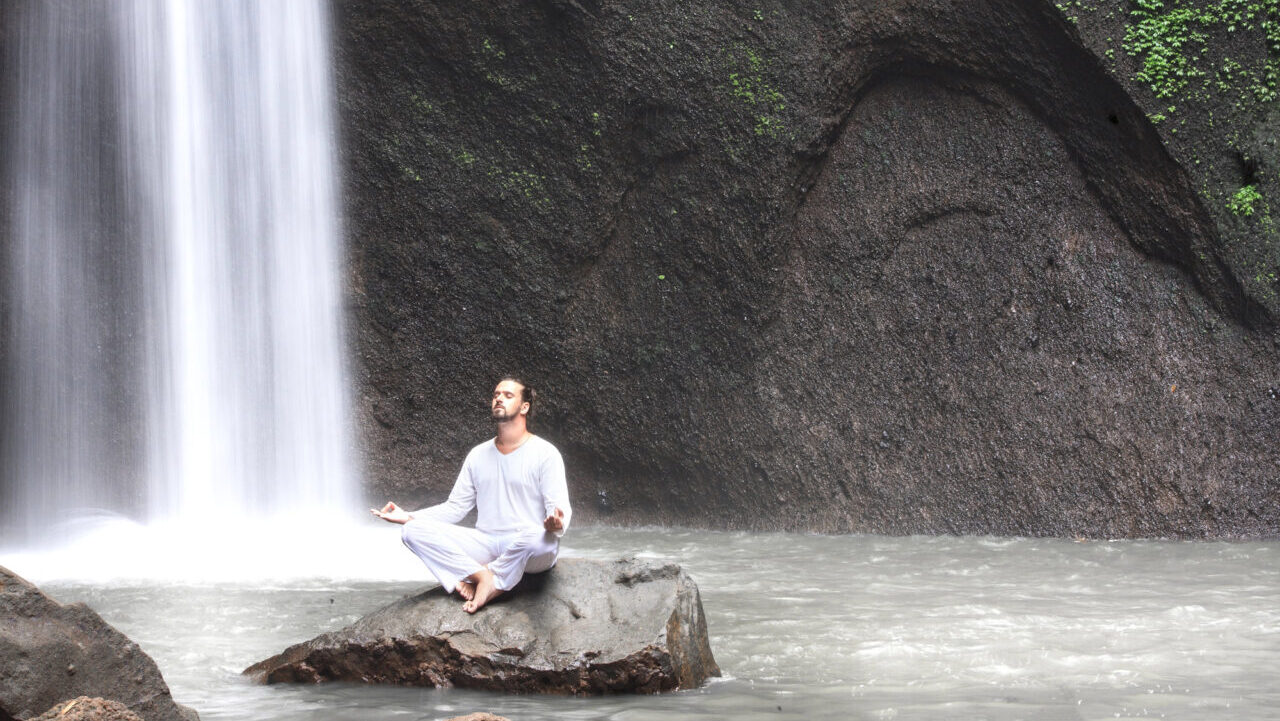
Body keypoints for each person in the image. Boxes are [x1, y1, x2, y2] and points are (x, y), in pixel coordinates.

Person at [372, 377, 571, 613]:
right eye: (496, 394)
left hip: (526, 544)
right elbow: (455, 508)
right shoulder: (478, 455)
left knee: (538, 538)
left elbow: (559, 508)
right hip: (485, 542)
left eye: (508, 395)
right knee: (411, 532)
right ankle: (484, 577)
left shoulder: (545, 453)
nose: (498, 398)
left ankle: (491, 580)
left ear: (524, 407)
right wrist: (408, 516)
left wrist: (555, 524)